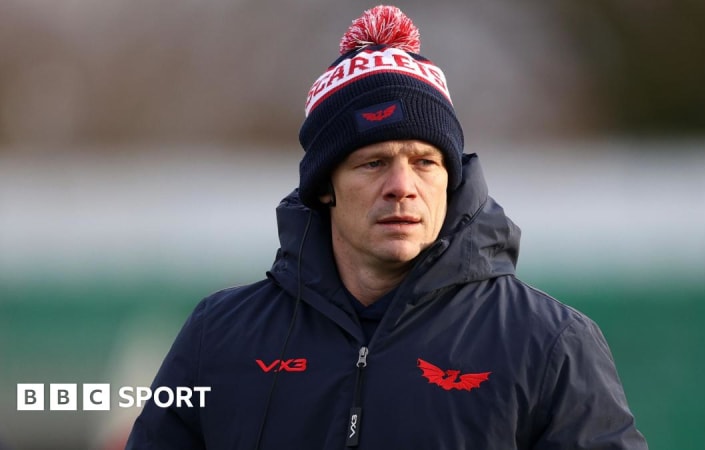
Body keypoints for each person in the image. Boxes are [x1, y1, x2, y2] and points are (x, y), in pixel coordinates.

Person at [125, 5, 648, 449]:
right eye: (373, 163)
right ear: (325, 186)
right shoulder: (219, 337)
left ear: (451, 178)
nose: (402, 185)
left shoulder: (549, 344)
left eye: (424, 162)